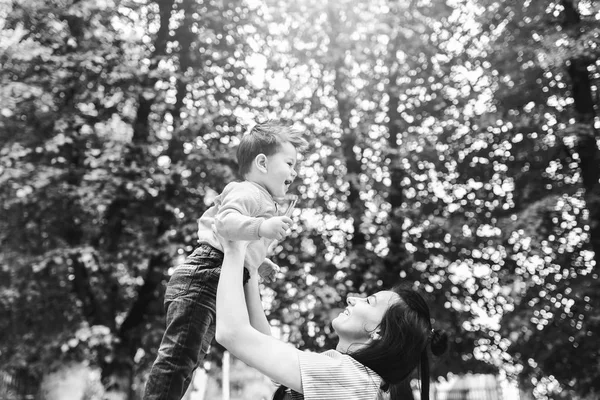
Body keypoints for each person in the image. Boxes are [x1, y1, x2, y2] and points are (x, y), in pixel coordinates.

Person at [143, 122, 308, 400]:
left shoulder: (263, 199)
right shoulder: (248, 191)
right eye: (290, 163)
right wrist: (262, 228)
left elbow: (242, 244)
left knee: (190, 358)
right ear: (262, 163)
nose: (294, 172)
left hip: (217, 278)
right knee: (178, 357)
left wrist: (261, 261)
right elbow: (226, 224)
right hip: (204, 274)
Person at [215, 238, 449, 400]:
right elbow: (264, 344)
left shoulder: (351, 378)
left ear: (380, 332)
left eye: (368, 301)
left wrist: (235, 244)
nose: (352, 298)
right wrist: (251, 271)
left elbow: (233, 333)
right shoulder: (358, 378)